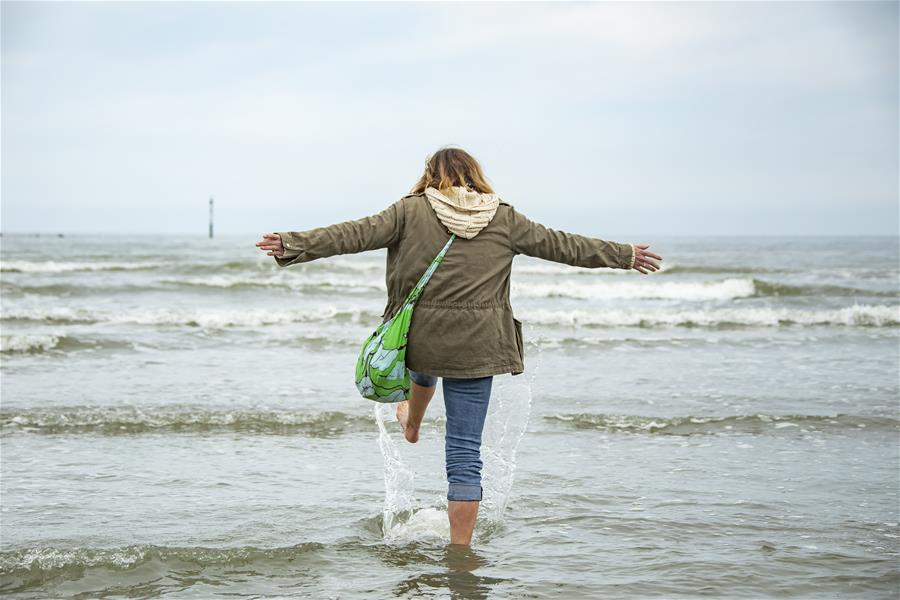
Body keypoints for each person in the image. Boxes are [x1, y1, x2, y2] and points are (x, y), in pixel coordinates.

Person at [255, 146, 662, 546]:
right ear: (475, 175)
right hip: (480, 344)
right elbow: (563, 245)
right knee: (465, 452)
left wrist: (292, 243)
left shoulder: (409, 211)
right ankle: (460, 550)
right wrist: (624, 255)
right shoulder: (504, 218)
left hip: (421, 338)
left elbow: (353, 234)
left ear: (430, 175)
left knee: (424, 362)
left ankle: (412, 421)